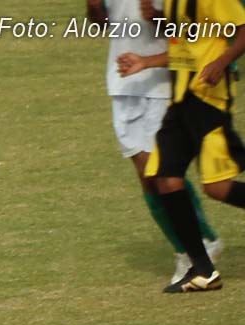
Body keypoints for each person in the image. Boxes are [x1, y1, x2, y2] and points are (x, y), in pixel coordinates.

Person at [87, 0, 223, 284]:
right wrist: (95, 7)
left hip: (164, 82)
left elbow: (192, 31)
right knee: (146, 177)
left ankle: (200, 244)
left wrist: (158, 17)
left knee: (160, 172)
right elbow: (103, 25)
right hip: (123, 81)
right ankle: (187, 248)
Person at [117, 0, 245, 292]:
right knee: (165, 179)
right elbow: (184, 48)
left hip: (209, 102)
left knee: (217, 187)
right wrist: (145, 61)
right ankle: (203, 271)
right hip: (180, 103)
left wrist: (221, 62)